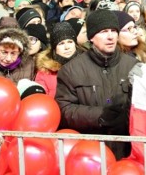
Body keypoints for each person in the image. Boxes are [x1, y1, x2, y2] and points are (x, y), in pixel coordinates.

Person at [55, 10, 138, 160]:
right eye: (104, 31)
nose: (111, 36)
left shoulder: (134, 67)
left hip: (125, 153)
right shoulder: (71, 70)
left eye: (113, 30)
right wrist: (99, 116)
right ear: (92, 37)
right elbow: (64, 110)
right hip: (89, 155)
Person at [35, 22, 78, 98]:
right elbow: (41, 100)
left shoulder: (86, 65)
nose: (67, 47)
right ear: (54, 48)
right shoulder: (45, 72)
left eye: (70, 42)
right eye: (61, 43)